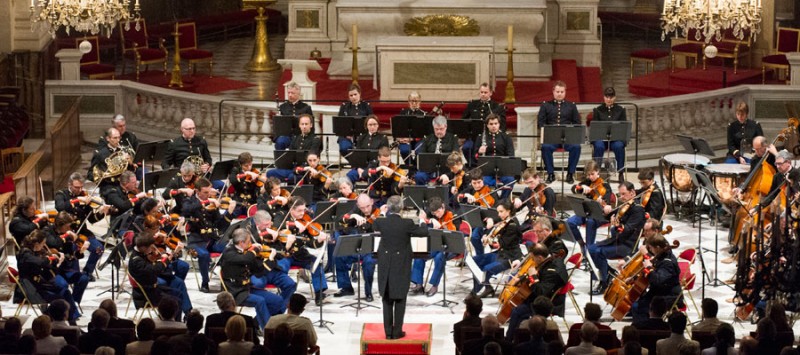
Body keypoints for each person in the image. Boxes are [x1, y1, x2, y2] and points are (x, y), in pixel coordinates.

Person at [374, 195, 429, 340]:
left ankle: (388, 332)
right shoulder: (407, 223)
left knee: (386, 298)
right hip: (401, 264)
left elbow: (374, 226)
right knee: (400, 298)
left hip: (386, 263)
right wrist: (423, 219)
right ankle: (397, 331)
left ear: (387, 207)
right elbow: (424, 232)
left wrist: (381, 213)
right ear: (402, 208)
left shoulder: (380, 221)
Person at [220, 228, 287, 331]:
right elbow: (245, 259)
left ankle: (257, 323)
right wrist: (255, 249)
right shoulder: (229, 252)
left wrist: (271, 259)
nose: (251, 244)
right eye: (249, 242)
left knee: (278, 301)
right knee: (260, 301)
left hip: (247, 288)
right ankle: (268, 331)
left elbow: (259, 272)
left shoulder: (247, 253)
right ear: (241, 243)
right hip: (235, 291)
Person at [228, 210, 297, 308]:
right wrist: (261, 236)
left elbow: (280, 255)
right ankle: (268, 306)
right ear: (257, 223)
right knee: (258, 284)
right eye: (266, 225)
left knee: (291, 284)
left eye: (270, 224)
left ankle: (279, 308)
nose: (269, 227)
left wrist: (286, 246)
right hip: (255, 270)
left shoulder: (272, 232)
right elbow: (245, 250)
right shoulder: (248, 231)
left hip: (271, 268)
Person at [589, 181, 645, 295]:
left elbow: (628, 229)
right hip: (617, 241)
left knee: (598, 251)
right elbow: (608, 216)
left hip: (627, 245)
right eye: (620, 194)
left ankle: (604, 282)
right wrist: (604, 208)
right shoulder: (624, 205)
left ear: (632, 193)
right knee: (590, 249)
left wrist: (617, 225)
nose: (621, 197)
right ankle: (608, 274)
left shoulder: (638, 209)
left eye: (624, 194)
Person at [181, 177, 235, 292]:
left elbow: (220, 225)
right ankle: (205, 283)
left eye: (209, 192)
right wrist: (204, 202)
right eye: (205, 192)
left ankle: (224, 279)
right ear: (197, 191)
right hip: (196, 240)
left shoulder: (212, 203)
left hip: (211, 239)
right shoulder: (189, 201)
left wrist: (228, 213)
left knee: (230, 250)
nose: (208, 195)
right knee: (204, 255)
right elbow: (186, 210)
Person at [504, 244, 567, 342]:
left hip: (545, 303)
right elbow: (538, 273)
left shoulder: (552, 271)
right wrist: (521, 279)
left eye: (533, 259)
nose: (532, 261)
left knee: (517, 311)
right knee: (518, 308)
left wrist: (533, 277)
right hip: (538, 296)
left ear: (540, 257)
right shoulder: (546, 262)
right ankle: (519, 338)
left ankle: (509, 340)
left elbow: (541, 292)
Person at [273, 196, 330, 305]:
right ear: (291, 209)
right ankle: (285, 296)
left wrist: (319, 240)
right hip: (285, 253)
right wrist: (293, 224)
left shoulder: (305, 220)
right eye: (299, 210)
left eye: (304, 210)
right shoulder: (281, 215)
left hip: (300, 254)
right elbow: (276, 227)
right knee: (281, 267)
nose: (302, 213)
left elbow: (310, 243)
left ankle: (319, 293)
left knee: (316, 263)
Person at [54, 172, 109, 279]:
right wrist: (78, 200)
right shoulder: (61, 194)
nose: (79, 190)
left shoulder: (85, 196)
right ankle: (74, 274)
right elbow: (60, 207)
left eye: (81, 187)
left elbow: (92, 219)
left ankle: (87, 272)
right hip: (67, 232)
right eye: (76, 187)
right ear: (70, 185)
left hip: (82, 231)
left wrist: (102, 212)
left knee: (99, 248)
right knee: (74, 249)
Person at [16, 231, 81, 321]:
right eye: (42, 244)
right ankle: (54, 316)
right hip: (31, 289)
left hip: (38, 284)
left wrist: (58, 262)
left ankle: (73, 317)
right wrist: (49, 258)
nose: (43, 246)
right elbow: (41, 262)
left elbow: (47, 266)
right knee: (62, 296)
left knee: (65, 291)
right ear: (36, 244)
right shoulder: (25, 254)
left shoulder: (32, 251)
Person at [128, 233, 193, 319]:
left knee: (179, 293)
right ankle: (176, 324)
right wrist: (164, 261)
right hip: (146, 294)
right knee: (177, 300)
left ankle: (186, 315)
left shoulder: (141, 254)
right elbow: (154, 270)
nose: (152, 249)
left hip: (152, 288)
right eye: (150, 248)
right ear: (143, 248)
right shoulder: (137, 261)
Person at [471, 199, 523, 298]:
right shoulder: (504, 220)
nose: (498, 214)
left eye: (501, 212)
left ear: (508, 211)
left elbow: (502, 243)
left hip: (510, 257)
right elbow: (494, 222)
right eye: (498, 211)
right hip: (500, 254)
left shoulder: (512, 225)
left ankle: (473, 293)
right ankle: (487, 287)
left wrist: (489, 240)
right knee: (475, 261)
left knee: (486, 269)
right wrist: (486, 232)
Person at [333, 194, 378, 301]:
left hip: (371, 250)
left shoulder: (379, 211)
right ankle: (346, 287)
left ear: (372, 201)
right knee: (339, 257)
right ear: (358, 205)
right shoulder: (356, 210)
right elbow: (340, 221)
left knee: (368, 263)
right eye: (362, 207)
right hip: (357, 248)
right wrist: (352, 216)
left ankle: (368, 292)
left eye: (368, 206)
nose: (366, 210)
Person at [410, 196, 457, 297]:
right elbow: (422, 215)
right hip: (437, 244)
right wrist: (430, 219)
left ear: (443, 207)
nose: (437, 215)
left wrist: (444, 227)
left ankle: (434, 285)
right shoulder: (433, 214)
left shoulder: (453, 213)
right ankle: (418, 284)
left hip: (452, 246)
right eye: (434, 213)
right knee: (420, 254)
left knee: (439, 257)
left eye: (438, 212)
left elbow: (458, 233)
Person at [630, 233, 681, 323]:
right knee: (636, 303)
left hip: (668, 296)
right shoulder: (661, 255)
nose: (650, 250)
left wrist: (649, 268)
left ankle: (646, 329)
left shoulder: (668, 263)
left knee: (637, 307)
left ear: (657, 247)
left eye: (651, 248)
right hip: (659, 291)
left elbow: (658, 281)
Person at [538, 80, 581, 183]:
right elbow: (541, 123)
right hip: (551, 138)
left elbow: (577, 123)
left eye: (562, 92)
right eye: (557, 91)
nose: (559, 94)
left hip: (567, 138)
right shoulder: (545, 105)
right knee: (545, 147)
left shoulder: (571, 106)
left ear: (565, 92)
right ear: (553, 92)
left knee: (576, 147)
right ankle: (550, 174)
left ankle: (570, 174)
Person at [42, 212, 89, 306]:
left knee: (83, 278)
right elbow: (54, 243)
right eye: (67, 226)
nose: (69, 229)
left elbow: (71, 255)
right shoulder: (47, 231)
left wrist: (80, 252)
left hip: (65, 269)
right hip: (53, 271)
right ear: (60, 225)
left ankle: (73, 303)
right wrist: (66, 236)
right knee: (63, 285)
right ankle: (67, 307)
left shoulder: (68, 234)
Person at [566, 160, 613, 254]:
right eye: (588, 174)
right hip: (586, 213)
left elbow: (608, 201)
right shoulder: (587, 182)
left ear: (598, 171)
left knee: (590, 222)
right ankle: (582, 244)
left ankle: (589, 250)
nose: (590, 177)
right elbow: (574, 188)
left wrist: (603, 202)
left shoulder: (605, 185)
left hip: (599, 215)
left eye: (592, 174)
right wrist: (581, 187)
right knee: (569, 222)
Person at [266, 113, 323, 183]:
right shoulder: (296, 138)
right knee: (270, 173)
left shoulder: (315, 140)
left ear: (311, 125)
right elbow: (289, 156)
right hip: (293, 169)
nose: (304, 126)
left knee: (291, 177)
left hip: (306, 171)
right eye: (302, 124)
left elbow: (312, 160)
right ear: (299, 125)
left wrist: (301, 169)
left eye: (306, 124)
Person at [462, 83, 507, 166]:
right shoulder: (472, 104)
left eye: (485, 92)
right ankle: (472, 165)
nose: (483, 94)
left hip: (489, 136)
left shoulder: (497, 106)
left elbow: (503, 124)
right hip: (474, 136)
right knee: (466, 148)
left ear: (490, 93)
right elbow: (463, 120)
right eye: (481, 92)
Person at [475, 114, 515, 199]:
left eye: (496, 123)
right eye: (491, 124)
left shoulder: (506, 137)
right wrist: (479, 152)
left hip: (503, 169)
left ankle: (503, 200)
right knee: (484, 181)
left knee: (510, 180)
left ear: (499, 124)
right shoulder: (481, 137)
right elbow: (475, 156)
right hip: (487, 170)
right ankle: (493, 200)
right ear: (487, 125)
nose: (494, 126)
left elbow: (511, 155)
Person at [591, 87, 628, 180]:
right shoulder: (598, 110)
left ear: (614, 98)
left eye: (611, 97)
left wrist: (623, 141)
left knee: (619, 146)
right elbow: (594, 128)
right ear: (603, 97)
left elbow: (624, 127)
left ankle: (620, 172)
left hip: (615, 139)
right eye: (607, 97)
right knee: (599, 146)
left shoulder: (620, 110)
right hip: (601, 139)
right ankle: (596, 172)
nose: (609, 99)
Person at [88, 127, 137, 194]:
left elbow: (129, 172)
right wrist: (101, 177)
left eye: (119, 137)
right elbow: (90, 174)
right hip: (108, 186)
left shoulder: (123, 151)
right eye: (115, 138)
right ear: (108, 138)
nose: (118, 140)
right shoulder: (100, 154)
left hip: (123, 185)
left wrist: (130, 164)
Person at [415, 115, 460, 185]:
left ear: (446, 127)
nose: (439, 131)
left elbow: (456, 155)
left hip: (447, 169)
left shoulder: (453, 139)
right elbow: (421, 155)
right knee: (419, 176)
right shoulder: (427, 138)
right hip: (429, 169)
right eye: (436, 129)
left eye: (441, 129)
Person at [345, 114, 390, 184]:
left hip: (375, 167)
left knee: (371, 176)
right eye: (370, 125)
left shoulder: (383, 138)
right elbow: (357, 155)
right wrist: (359, 168)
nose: (372, 127)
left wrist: (366, 171)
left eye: (375, 124)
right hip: (361, 166)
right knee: (350, 175)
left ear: (378, 125)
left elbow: (383, 155)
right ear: (366, 126)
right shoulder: (361, 137)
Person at [337, 83, 373, 156]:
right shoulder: (344, 107)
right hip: (346, 136)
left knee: (367, 148)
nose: (353, 97)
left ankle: (360, 165)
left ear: (359, 93)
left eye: (355, 94)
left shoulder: (366, 106)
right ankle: (353, 163)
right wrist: (346, 134)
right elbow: (340, 123)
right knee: (344, 148)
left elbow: (372, 122)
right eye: (351, 95)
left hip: (364, 135)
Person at [275, 81, 314, 150]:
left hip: (301, 135)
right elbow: (278, 126)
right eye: (288, 93)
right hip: (286, 136)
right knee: (280, 142)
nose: (290, 95)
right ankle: (280, 160)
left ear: (299, 94)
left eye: (292, 93)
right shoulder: (282, 107)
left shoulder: (306, 107)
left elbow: (311, 126)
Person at [396, 91, 429, 165]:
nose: (414, 103)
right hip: (405, 139)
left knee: (420, 151)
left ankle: (416, 166)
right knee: (404, 150)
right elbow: (398, 128)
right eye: (412, 101)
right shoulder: (403, 113)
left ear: (420, 101)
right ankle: (410, 166)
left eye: (416, 101)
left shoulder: (424, 114)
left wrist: (412, 138)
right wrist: (399, 138)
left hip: (419, 140)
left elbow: (426, 132)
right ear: (408, 101)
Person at [229, 152, 266, 217]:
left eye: (250, 164)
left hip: (251, 202)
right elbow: (233, 180)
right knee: (230, 216)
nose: (249, 167)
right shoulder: (236, 170)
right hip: (238, 202)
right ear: (241, 165)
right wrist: (246, 174)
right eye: (246, 166)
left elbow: (260, 187)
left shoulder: (255, 172)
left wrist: (259, 178)